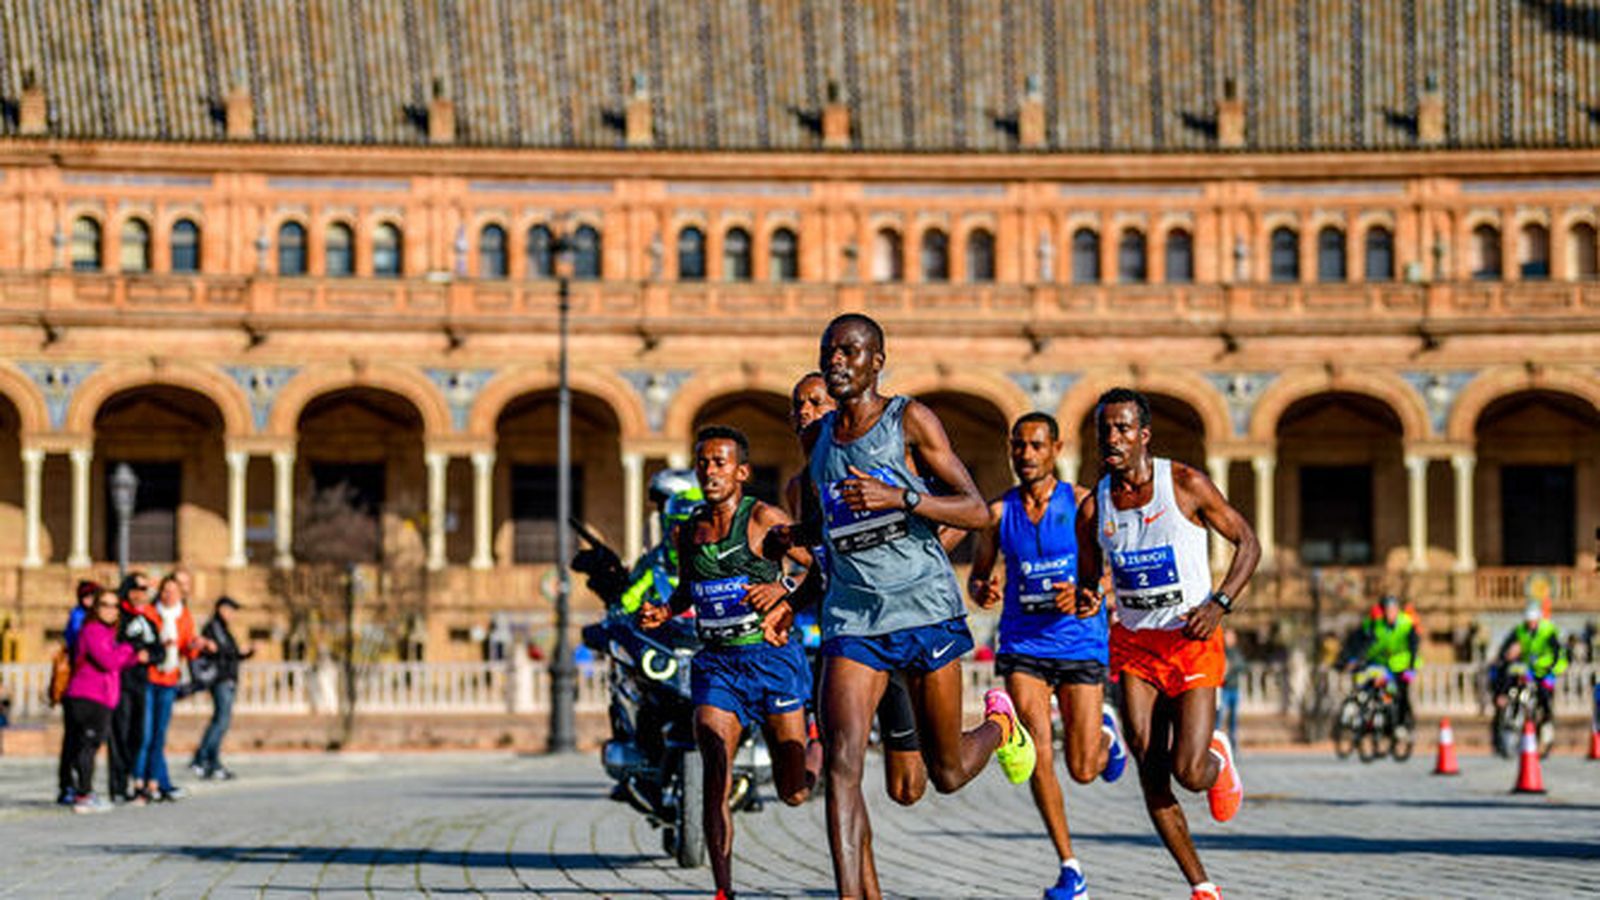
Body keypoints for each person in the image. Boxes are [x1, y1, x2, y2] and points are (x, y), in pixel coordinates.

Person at [772, 313, 1033, 899]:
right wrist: (788, 551)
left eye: (850, 352)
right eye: (828, 351)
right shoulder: (815, 439)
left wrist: (903, 496)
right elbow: (822, 530)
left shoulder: (909, 419)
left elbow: (974, 509)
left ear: (876, 361)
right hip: (854, 618)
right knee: (841, 762)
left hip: (924, 609)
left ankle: (998, 725)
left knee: (944, 773)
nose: (837, 361)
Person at [1081, 387, 1260, 900]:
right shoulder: (1095, 508)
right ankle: (1201, 885)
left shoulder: (1183, 484)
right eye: (1103, 431)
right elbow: (1090, 581)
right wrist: (1086, 597)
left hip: (1191, 639)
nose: (1111, 439)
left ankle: (1216, 759)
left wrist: (1220, 602)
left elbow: (1248, 541)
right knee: (1149, 763)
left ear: (1143, 435)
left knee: (1189, 770)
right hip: (1136, 644)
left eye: (1121, 429)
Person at [638, 425, 822, 900]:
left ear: (741, 472)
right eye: (703, 462)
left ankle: (817, 746)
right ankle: (723, 891)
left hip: (771, 659)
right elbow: (685, 591)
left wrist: (782, 592)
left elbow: (821, 566)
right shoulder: (689, 530)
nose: (711, 470)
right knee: (714, 770)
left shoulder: (764, 520)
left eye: (721, 462)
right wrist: (665, 609)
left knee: (793, 790)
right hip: (717, 664)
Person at [967, 411, 1128, 900]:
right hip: (1022, 643)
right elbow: (978, 575)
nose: (1026, 455)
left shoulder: (1083, 504)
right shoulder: (999, 512)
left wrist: (1086, 590)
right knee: (1038, 754)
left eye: (1036, 446)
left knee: (1082, 767)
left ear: (1057, 449)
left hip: (1078, 641)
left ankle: (1104, 734)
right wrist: (983, 589)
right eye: (1019, 446)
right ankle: (1069, 867)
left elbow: (1112, 575)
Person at [784, 371, 928, 809]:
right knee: (844, 762)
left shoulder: (878, 464)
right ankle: (856, 880)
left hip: (903, 622)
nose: (805, 412)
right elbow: (822, 565)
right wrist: (786, 604)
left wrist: (922, 569)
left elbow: (947, 522)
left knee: (909, 788)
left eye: (816, 402)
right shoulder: (797, 488)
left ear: (839, 409)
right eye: (798, 406)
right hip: (846, 632)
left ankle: (995, 726)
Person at [61, 589, 149, 813]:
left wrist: (132, 656)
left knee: (88, 745)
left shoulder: (107, 632)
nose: (111, 610)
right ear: (96, 608)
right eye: (105, 605)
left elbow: (117, 660)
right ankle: (83, 794)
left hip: (102, 696)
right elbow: (108, 661)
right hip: (88, 695)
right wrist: (129, 648)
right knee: (87, 746)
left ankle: (81, 791)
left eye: (114, 606)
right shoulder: (93, 630)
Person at [134, 574, 213, 803]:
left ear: (180, 594)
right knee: (145, 734)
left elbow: (188, 648)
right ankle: (140, 781)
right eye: (165, 591)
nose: (169, 595)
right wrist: (160, 645)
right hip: (149, 677)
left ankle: (155, 783)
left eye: (174, 591)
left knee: (159, 734)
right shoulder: (149, 613)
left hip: (169, 679)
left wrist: (197, 646)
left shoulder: (184, 615)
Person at [109, 572, 161, 804]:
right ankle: (117, 786)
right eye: (137, 588)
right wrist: (133, 653)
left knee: (137, 735)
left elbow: (158, 650)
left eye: (145, 590)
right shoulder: (118, 618)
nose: (141, 594)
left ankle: (130, 779)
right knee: (120, 733)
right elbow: (112, 646)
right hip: (121, 682)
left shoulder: (148, 620)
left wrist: (149, 655)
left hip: (141, 682)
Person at [190, 596, 255, 780]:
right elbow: (217, 650)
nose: (232, 614)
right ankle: (204, 759)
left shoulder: (223, 629)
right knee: (221, 722)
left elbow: (229, 654)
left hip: (228, 679)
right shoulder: (213, 627)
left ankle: (210, 761)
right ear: (220, 609)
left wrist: (246, 653)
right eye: (230, 609)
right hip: (220, 679)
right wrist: (236, 652)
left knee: (221, 722)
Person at [56, 580, 100, 805]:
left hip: (88, 688)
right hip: (77, 687)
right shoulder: (79, 618)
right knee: (74, 739)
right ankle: (68, 785)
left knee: (80, 739)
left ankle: (74, 784)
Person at [1347, 595, 1420, 731]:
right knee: (1383, 689)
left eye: (1392, 610)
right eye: (1387, 610)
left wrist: (1411, 665)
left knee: (1402, 692)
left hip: (1405, 663)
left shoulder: (1406, 622)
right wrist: (1356, 660)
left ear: (1397, 610)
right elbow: (1368, 645)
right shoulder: (1379, 625)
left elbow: (1414, 644)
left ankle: (1403, 723)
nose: (1390, 614)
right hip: (1387, 664)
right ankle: (1383, 720)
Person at [1493, 599, 1568, 722]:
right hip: (1529, 666)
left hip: (1547, 666)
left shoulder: (1547, 630)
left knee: (1544, 690)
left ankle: (1546, 717)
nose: (1531, 624)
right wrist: (1503, 656)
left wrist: (1551, 666)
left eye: (1533, 621)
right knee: (1513, 679)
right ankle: (1508, 703)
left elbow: (1556, 650)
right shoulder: (1521, 630)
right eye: (1529, 622)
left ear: (1538, 619)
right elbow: (1507, 645)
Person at [1219, 629, 1246, 749]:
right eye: (1226, 636)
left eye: (1230, 637)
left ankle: (1233, 740)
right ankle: (1216, 739)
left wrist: (1231, 667)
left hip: (1234, 688)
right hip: (1223, 688)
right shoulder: (1221, 651)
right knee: (1220, 715)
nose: (1228, 639)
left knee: (1233, 717)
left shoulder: (1236, 653)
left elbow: (1242, 666)